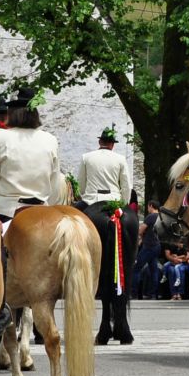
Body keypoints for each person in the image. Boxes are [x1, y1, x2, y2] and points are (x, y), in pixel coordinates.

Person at [78, 125, 138, 345]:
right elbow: (127, 187)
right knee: (124, 265)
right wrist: (120, 204)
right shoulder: (120, 159)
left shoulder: (87, 157)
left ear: (100, 142)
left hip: (92, 201)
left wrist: (87, 198)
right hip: (116, 203)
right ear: (112, 144)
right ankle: (122, 324)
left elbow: (82, 185)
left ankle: (105, 325)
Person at [0, 89, 60, 219]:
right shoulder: (51, 139)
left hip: (6, 212)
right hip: (42, 210)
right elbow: (55, 185)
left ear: (10, 113)